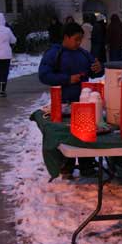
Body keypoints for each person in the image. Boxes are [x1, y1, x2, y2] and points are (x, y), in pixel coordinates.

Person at [38, 22, 104, 177]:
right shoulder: (54, 53)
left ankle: (87, 165)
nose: (79, 42)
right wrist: (67, 79)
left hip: (84, 103)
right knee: (67, 136)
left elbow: (94, 71)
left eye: (80, 39)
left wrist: (98, 68)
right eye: (76, 39)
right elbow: (44, 76)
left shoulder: (82, 53)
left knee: (85, 135)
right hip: (63, 104)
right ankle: (66, 167)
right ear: (66, 37)